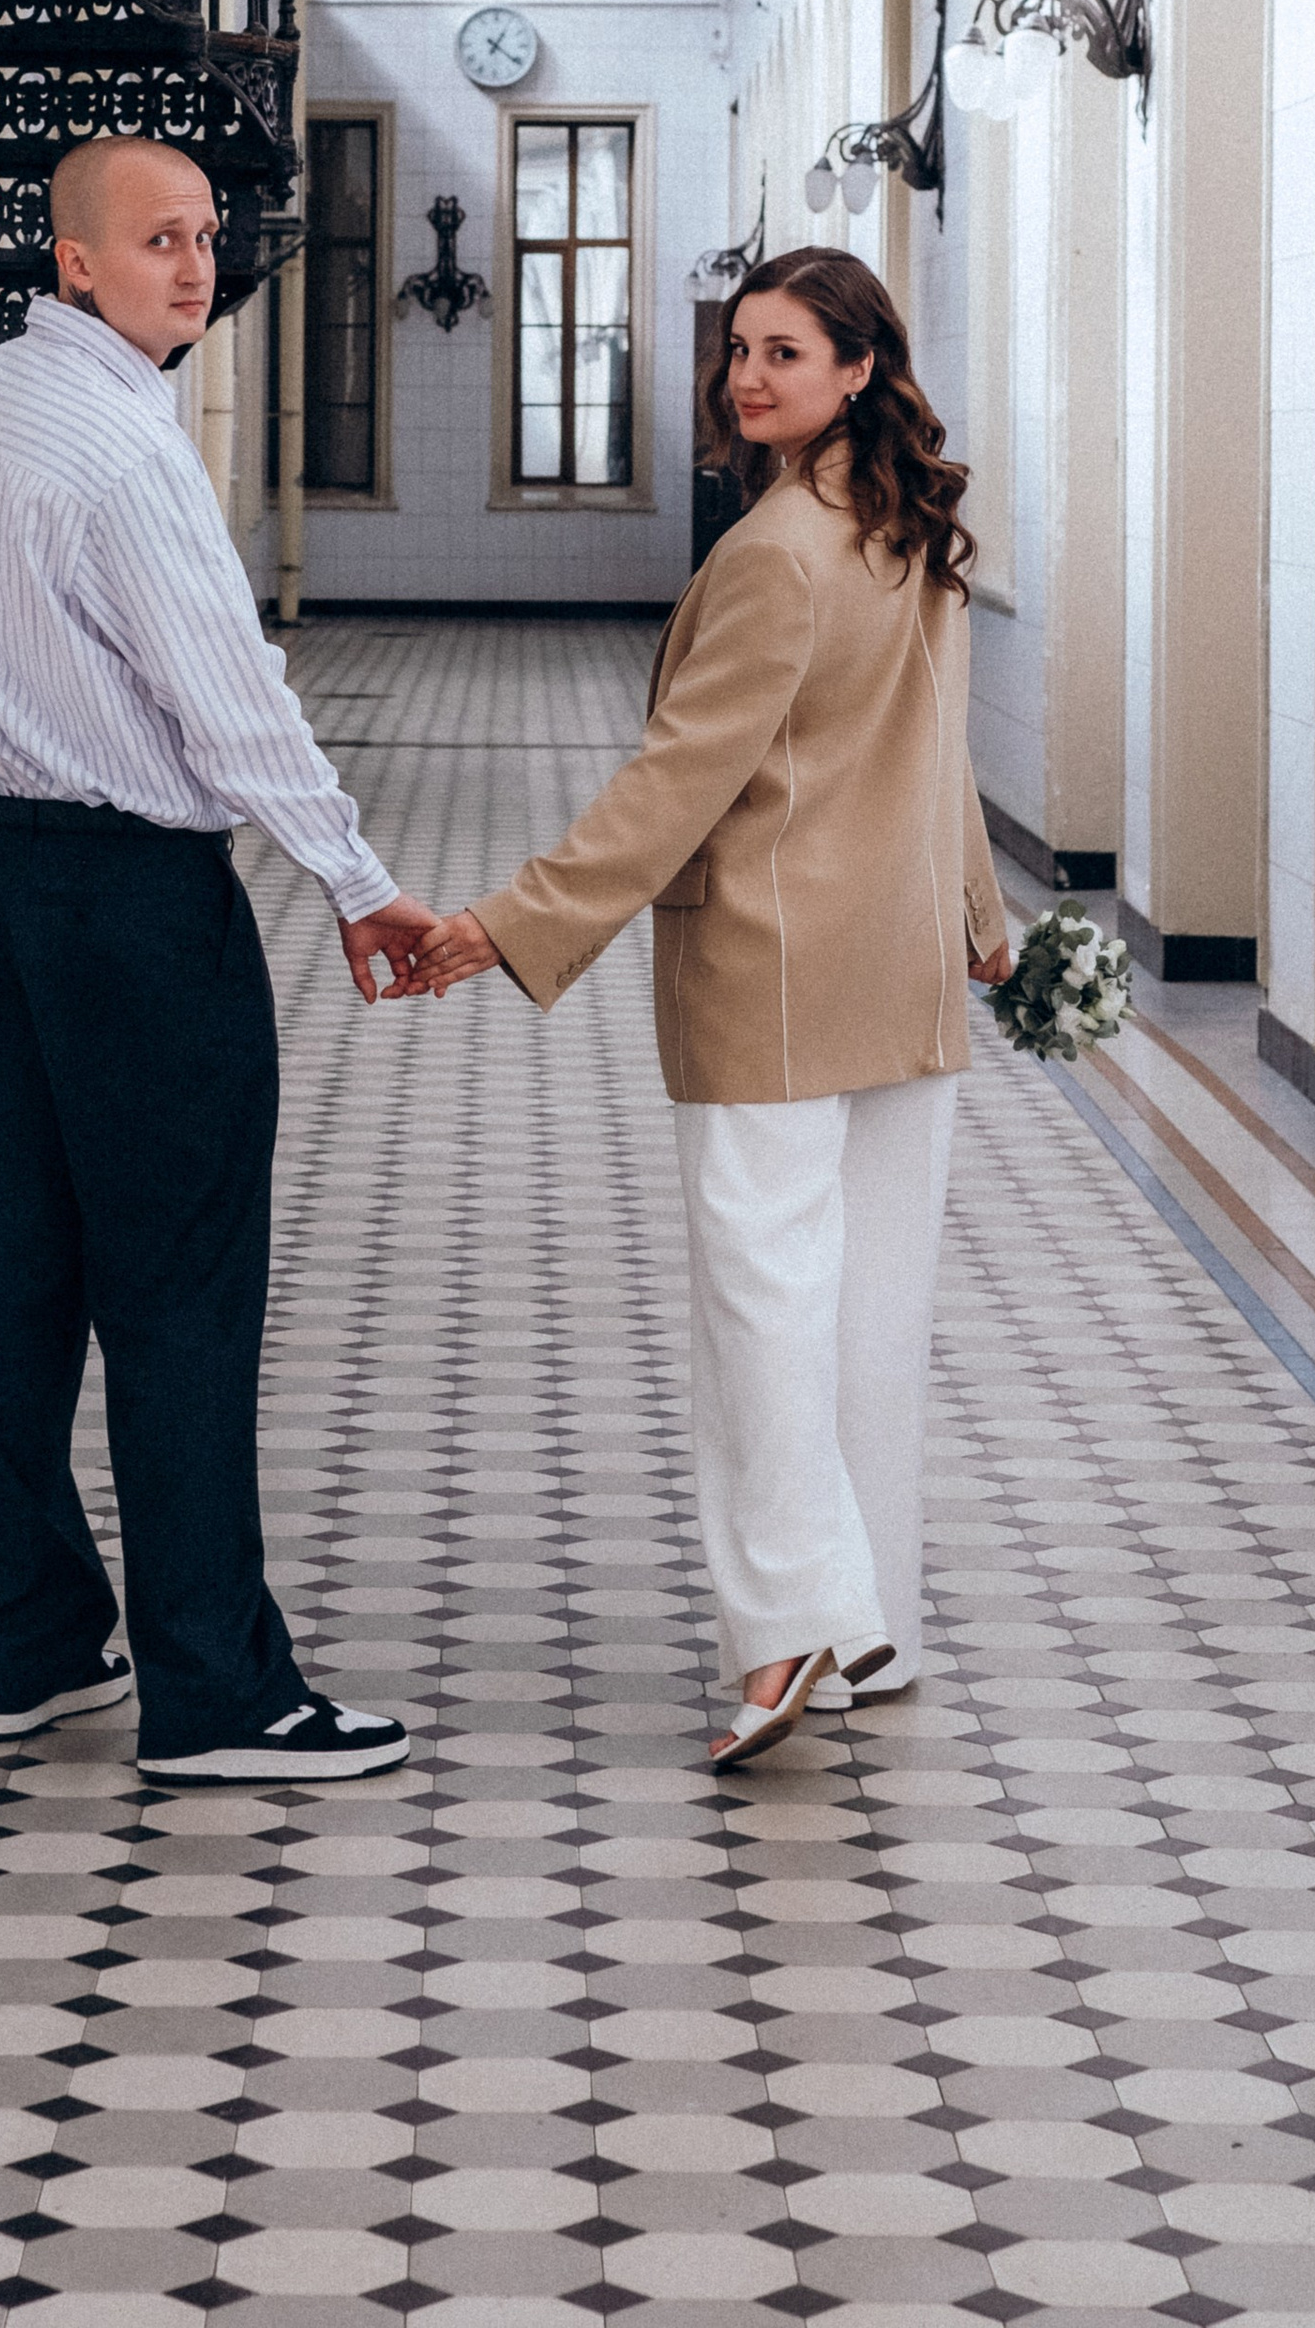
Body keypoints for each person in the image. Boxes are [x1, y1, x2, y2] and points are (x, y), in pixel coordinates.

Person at [0, 133, 436, 1783]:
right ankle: (215, 1689)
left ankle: (27, 1641)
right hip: (130, 905)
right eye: (156, 239)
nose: (195, 263)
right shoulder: (121, 450)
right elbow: (223, 695)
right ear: (76, 265)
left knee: (15, 1279)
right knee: (179, 1289)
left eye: (205, 236)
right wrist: (355, 877)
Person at [401, 248, 1014, 1770]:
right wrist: (982, 923)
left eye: (786, 352)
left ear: (858, 368)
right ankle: (876, 1628)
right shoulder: (910, 531)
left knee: (764, 1314)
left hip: (778, 980)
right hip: (903, 982)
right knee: (866, 1315)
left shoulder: (775, 555)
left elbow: (677, 783)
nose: (748, 377)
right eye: (739, 349)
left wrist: (508, 923)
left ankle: (792, 1624)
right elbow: (944, 750)